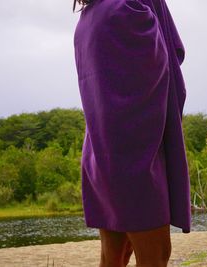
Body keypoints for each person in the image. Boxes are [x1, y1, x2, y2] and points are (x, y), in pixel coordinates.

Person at [72, 0, 191, 266]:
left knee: (113, 257)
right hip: (135, 161)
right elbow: (156, 87)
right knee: (155, 256)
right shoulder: (127, 10)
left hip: (101, 154)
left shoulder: (88, 18)